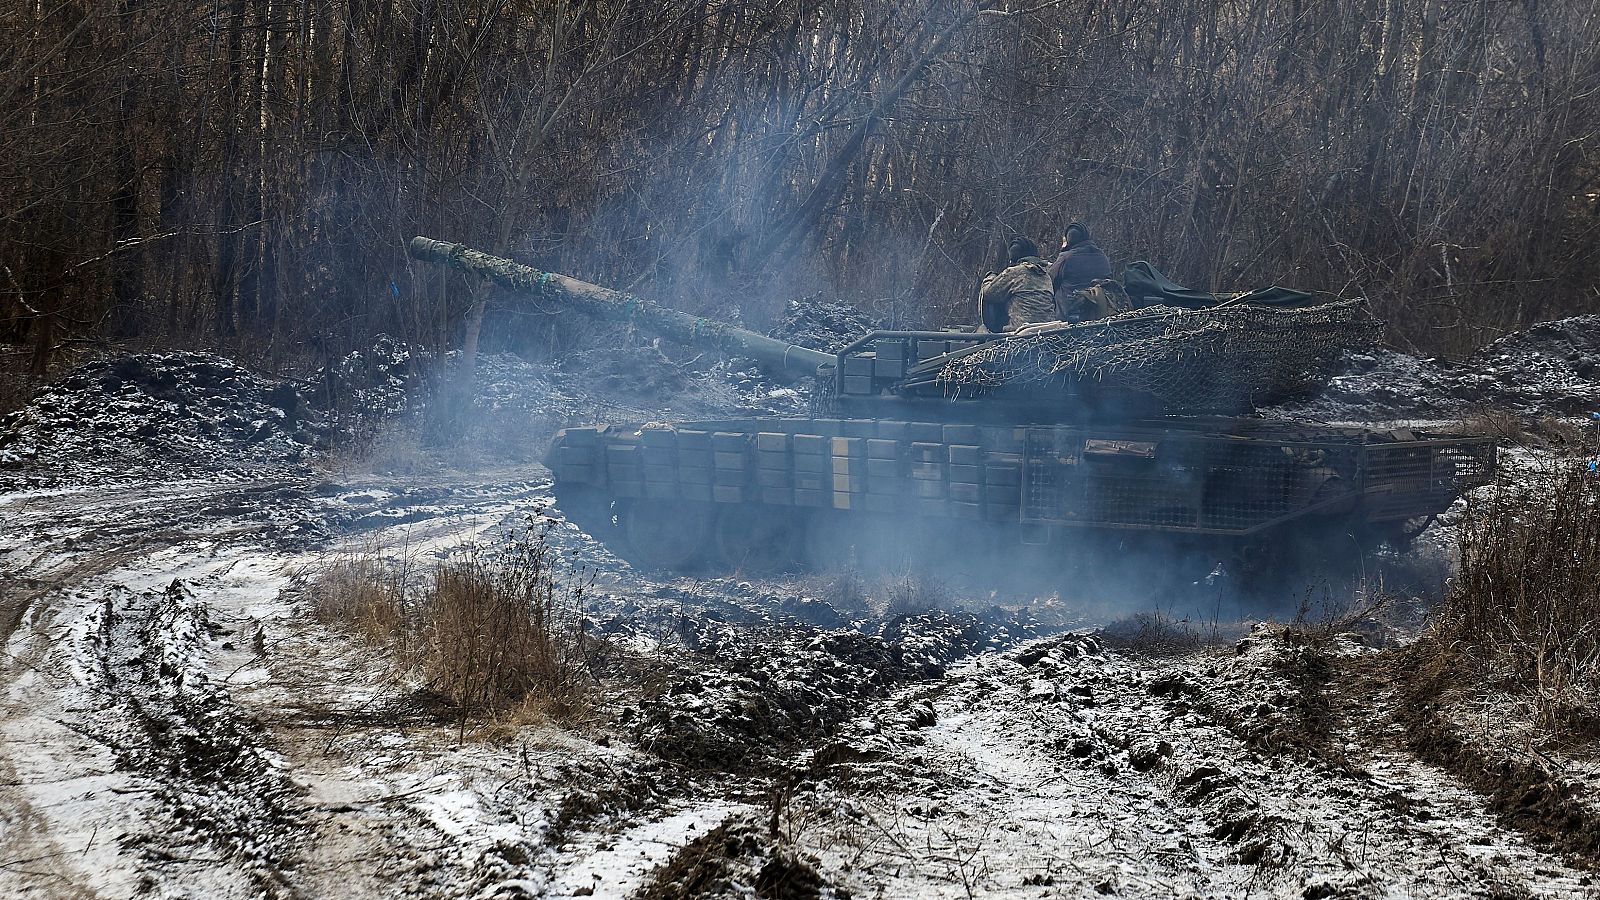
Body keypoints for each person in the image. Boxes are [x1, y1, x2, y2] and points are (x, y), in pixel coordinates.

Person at [978, 238, 1055, 332]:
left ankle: (994, 331)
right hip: (1047, 329)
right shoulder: (1046, 273)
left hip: (1020, 330)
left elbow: (988, 293)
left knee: (990, 297)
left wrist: (990, 277)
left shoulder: (1014, 272)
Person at [1049, 222, 1115, 322]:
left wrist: (1063, 251)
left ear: (1067, 240)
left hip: (1071, 312)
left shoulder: (1066, 257)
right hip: (1100, 310)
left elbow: (1051, 281)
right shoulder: (1102, 256)